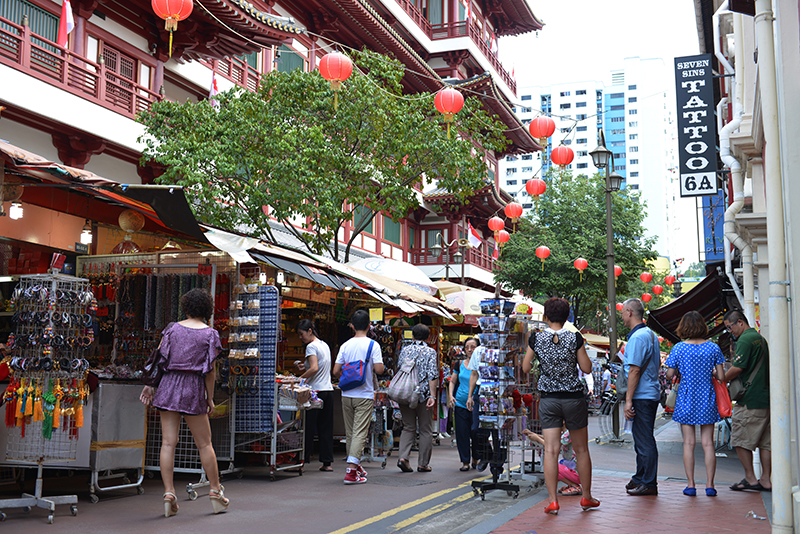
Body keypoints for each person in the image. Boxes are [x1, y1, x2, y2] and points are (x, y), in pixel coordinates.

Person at [139, 288, 228, 517]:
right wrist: (209, 397)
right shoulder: (210, 334)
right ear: (207, 309)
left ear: (185, 307)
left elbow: (159, 359)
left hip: (168, 386)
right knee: (204, 444)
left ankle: (169, 493)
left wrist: (150, 385)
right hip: (193, 388)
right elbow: (209, 371)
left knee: (168, 443)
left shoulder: (171, 329)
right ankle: (215, 491)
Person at [521, 297, 599, 515]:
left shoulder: (535, 339)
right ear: (567, 317)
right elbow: (586, 367)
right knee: (581, 449)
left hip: (548, 399)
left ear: (545, 317)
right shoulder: (575, 338)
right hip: (573, 398)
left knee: (551, 450)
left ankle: (553, 501)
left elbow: (526, 368)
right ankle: (586, 497)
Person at [664, 311, 726, 496]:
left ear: (684, 327)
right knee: (708, 444)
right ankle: (710, 485)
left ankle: (691, 485)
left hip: (686, 398)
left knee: (688, 443)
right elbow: (721, 377)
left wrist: (680, 371)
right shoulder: (713, 348)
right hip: (707, 398)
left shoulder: (679, 348)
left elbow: (669, 374)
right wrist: (712, 372)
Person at [333, 310, 385, 484]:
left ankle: (355, 465)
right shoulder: (373, 345)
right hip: (364, 394)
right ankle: (351, 471)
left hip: (347, 393)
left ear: (352, 326)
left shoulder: (345, 345)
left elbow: (335, 371)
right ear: (369, 325)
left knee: (351, 433)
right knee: (360, 433)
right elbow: (379, 370)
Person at [723, 310, 771, 492]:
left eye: (730, 327)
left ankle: (750, 478)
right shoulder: (760, 338)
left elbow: (738, 368)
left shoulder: (745, 340)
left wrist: (722, 378)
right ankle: (766, 479)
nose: (730, 332)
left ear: (740, 322)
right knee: (766, 443)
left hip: (750, 400)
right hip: (765, 398)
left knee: (740, 439)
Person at [621, 298, 662, 496]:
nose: (621, 316)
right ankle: (640, 477)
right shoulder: (651, 335)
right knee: (642, 438)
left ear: (629, 312)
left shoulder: (638, 338)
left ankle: (649, 482)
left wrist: (628, 400)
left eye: (622, 312)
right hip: (650, 392)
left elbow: (634, 370)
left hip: (642, 395)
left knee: (644, 440)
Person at [395, 323, 438, 473]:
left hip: (405, 392)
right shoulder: (430, 352)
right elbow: (432, 374)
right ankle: (423, 464)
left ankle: (403, 458)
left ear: (412, 336)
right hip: (423, 394)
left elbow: (400, 368)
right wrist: (433, 395)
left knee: (408, 426)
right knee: (425, 429)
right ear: (428, 337)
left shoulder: (405, 350)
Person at [295, 319, 334, 472]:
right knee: (325, 428)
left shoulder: (311, 346)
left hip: (315, 392)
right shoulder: (324, 345)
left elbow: (314, 368)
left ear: (310, 331)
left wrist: (300, 379)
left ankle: (301, 461)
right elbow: (318, 365)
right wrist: (303, 366)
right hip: (328, 390)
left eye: (301, 334)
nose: (300, 337)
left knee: (308, 428)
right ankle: (327, 462)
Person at [448, 337, 480, 471]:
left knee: (476, 431)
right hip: (460, 403)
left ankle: (476, 458)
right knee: (462, 433)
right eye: (467, 347)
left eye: (473, 347)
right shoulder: (459, 364)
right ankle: (465, 461)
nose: (469, 350)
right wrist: (450, 396)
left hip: (475, 403)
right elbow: (453, 381)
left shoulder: (480, 364)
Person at [523, 425, 582, 496]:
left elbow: (551, 446)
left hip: (576, 472)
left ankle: (574, 485)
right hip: (573, 468)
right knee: (555, 466)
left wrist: (537, 439)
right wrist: (534, 435)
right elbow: (551, 439)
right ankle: (571, 484)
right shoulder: (566, 432)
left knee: (552, 467)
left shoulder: (568, 433)